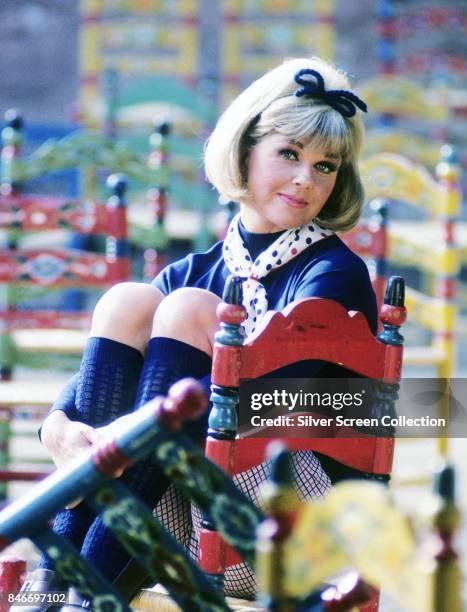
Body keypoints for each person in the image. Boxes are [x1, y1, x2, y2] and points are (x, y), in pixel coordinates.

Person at [22, 56, 377, 607]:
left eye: (326, 166)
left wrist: (129, 439)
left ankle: (73, 584)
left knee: (187, 317)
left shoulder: (334, 274)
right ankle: (67, 584)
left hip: (283, 530)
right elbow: (98, 385)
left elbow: (271, 410)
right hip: (183, 516)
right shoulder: (192, 271)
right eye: (289, 154)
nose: (307, 178)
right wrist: (59, 429)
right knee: (129, 301)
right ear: (244, 151)